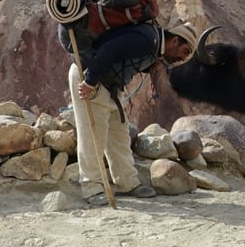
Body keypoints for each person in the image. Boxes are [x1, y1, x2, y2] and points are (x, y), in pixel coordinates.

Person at [66, 20, 198, 205]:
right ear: (175, 40)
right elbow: (109, 50)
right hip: (91, 77)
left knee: (119, 134)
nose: (181, 59)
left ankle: (126, 183)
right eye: (183, 52)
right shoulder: (147, 39)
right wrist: (89, 82)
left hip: (109, 84)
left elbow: (125, 56)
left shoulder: (152, 45)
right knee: (93, 134)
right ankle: (92, 188)